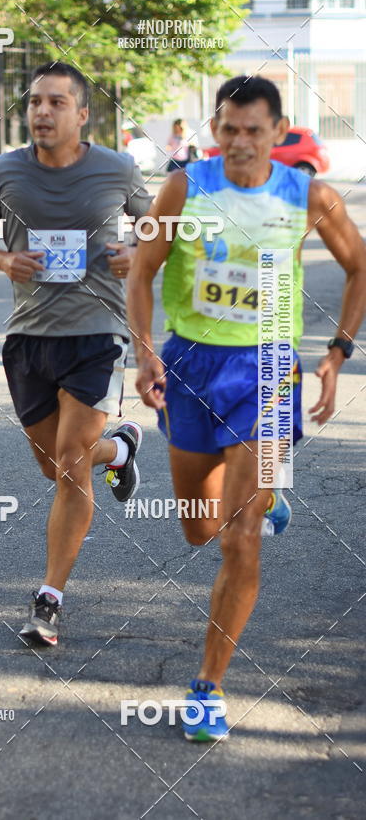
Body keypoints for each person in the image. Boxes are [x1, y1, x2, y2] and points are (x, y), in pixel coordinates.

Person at [127, 75, 366, 741]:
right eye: (227, 128)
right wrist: (145, 352)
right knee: (200, 528)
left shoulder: (307, 195)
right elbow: (143, 271)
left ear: (277, 133)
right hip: (191, 365)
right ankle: (261, 496)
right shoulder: (183, 186)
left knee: (240, 541)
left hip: (265, 371)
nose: (237, 142)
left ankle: (208, 687)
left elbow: (359, 265)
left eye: (252, 131)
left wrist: (338, 350)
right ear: (215, 126)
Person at [0, 61, 153, 646]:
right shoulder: (2, 170)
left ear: (82, 113)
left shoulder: (117, 168)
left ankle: (49, 600)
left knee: (69, 464)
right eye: (35, 103)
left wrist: (134, 256)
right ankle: (119, 449)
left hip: (97, 334)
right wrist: (4, 260)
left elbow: (155, 230)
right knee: (53, 464)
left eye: (55, 103)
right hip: (28, 339)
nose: (42, 112)